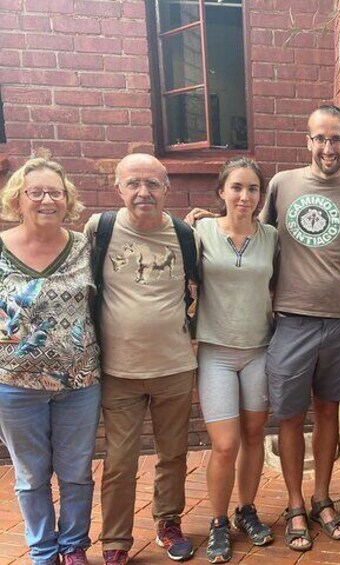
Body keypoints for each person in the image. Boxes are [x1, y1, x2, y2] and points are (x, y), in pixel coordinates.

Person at [261, 105, 340, 551]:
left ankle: (322, 498)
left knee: (329, 412)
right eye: (320, 139)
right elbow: (258, 243)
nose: (328, 148)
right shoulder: (281, 185)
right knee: (290, 416)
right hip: (290, 320)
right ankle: (294, 505)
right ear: (307, 141)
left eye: (337, 140)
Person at [88, 154, 198, 565]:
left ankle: (168, 522)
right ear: (118, 188)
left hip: (174, 367)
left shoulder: (185, 235)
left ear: (166, 188)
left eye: (153, 184)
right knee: (118, 461)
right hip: (119, 372)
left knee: (173, 455)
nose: (143, 192)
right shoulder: (100, 230)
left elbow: (200, 286)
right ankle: (116, 540)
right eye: (133, 183)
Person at [0, 155, 100, 565]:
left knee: (76, 471)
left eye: (55, 192)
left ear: (67, 199)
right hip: (15, 385)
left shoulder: (84, 246)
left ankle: (73, 546)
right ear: (18, 199)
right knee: (31, 476)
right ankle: (44, 551)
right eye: (36, 192)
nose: (46, 200)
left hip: (80, 381)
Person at [190, 158, 277, 563]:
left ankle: (247, 510)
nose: (245, 196)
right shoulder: (199, 231)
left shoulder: (272, 237)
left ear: (262, 194)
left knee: (255, 436)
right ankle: (219, 521)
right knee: (226, 444)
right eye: (237, 187)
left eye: (253, 189)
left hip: (259, 349)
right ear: (222, 191)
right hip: (216, 352)